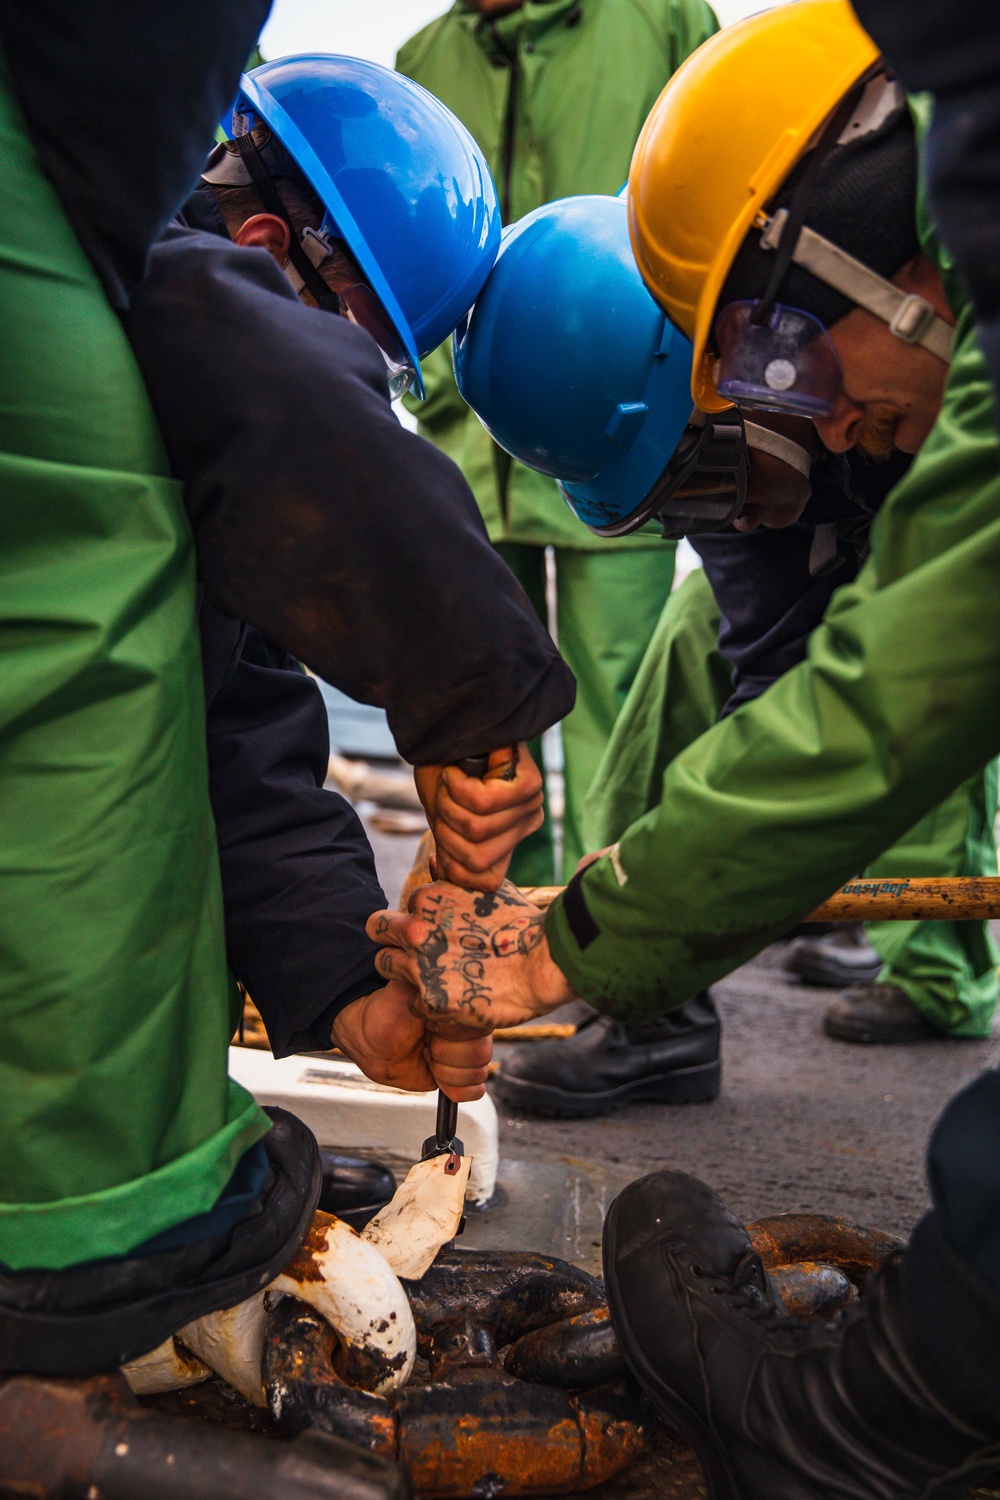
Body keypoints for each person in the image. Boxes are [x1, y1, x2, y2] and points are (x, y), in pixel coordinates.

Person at [370, 5, 1000, 1482]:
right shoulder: (810, 467)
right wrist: (630, 926)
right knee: (687, 685)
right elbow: (818, 713)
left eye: (771, 412)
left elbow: (876, 710)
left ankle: (905, 1398)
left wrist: (580, 942)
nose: (823, 448)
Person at [0, 26, 570, 1377]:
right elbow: (292, 393)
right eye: (366, 355)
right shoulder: (126, 270)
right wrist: (473, 701)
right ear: (263, 247)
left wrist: (336, 993)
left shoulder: (137, 411)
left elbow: (235, 714)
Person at [447, 188, 992, 1118]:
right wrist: (639, 904)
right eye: (679, 512)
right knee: (692, 633)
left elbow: (869, 711)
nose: (724, 518)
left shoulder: (920, 375)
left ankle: (939, 968)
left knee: (907, 675)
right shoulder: (752, 488)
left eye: (709, 478)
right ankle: (657, 1017)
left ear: (740, 372)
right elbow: (777, 683)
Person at [395, 0, 719, 885]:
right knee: (488, 713)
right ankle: (507, 913)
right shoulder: (419, 56)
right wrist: (438, 405)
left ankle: (626, 931)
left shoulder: (663, 18)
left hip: (633, 433)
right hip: (470, 445)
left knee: (630, 707)